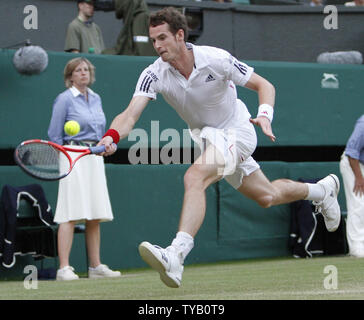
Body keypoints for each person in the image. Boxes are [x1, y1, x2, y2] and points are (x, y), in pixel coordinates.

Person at [98, 7, 341, 288]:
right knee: (268, 196)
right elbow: (130, 114)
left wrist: (264, 114)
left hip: (237, 131)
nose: (157, 46)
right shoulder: (154, 73)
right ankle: (321, 190)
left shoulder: (216, 59)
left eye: (162, 38)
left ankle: (177, 254)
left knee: (194, 176)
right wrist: (112, 136)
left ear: (180, 34)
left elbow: (264, 85)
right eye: (153, 40)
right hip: (211, 139)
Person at [48, 57, 121, 280]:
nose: (83, 73)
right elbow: (53, 135)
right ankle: (64, 268)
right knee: (69, 214)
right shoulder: (64, 99)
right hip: (72, 156)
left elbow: (102, 132)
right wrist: (67, 157)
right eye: (78, 70)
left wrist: (109, 145)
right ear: (70, 76)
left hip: (94, 157)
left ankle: (95, 267)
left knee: (95, 214)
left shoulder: (96, 98)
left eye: (86, 69)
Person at [340, 115, 364, 258]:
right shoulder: (363, 123)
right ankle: (357, 247)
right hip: (353, 165)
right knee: (358, 203)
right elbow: (351, 151)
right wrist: (359, 177)